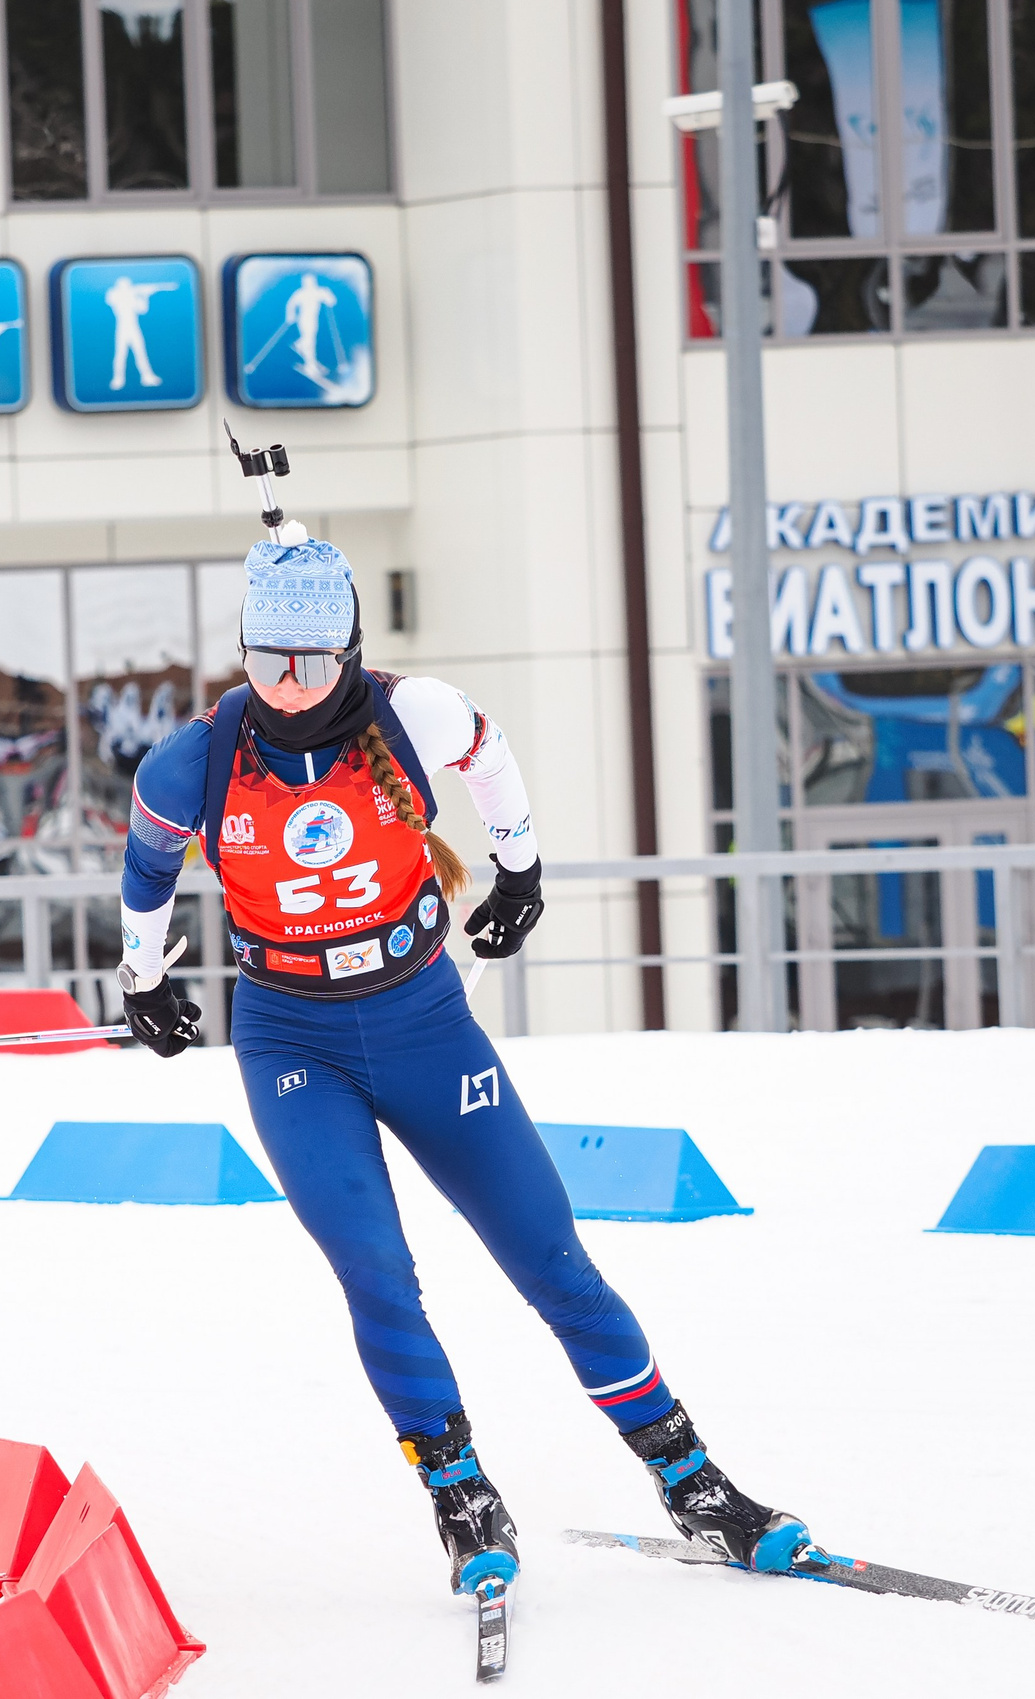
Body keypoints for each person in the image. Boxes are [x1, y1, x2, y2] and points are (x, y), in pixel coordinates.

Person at [116, 530, 807, 1598]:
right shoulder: (194, 759)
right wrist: (142, 977)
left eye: (307, 660)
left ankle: (691, 1479)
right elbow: (147, 869)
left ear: (346, 645)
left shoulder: (413, 713)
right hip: (291, 1039)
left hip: (422, 1021)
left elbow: (491, 762)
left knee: (550, 1257)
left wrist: (519, 869)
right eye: (265, 662)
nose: (286, 686)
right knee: (377, 1274)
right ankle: (460, 1495)